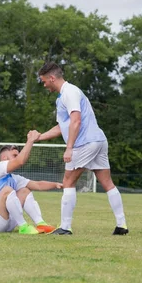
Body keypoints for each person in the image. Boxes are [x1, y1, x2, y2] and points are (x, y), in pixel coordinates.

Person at [36, 61, 128, 235]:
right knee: (107, 183)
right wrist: (39, 137)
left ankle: (65, 227)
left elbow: (76, 121)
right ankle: (121, 225)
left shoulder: (69, 92)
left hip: (85, 143)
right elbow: (61, 127)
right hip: (99, 140)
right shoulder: (64, 95)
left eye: (44, 81)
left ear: (52, 78)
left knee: (68, 182)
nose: (44, 85)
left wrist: (69, 148)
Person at [0, 130, 61, 234]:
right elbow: (20, 161)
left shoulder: (14, 178)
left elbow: (38, 185)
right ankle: (23, 226)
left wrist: (57, 184)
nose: (17, 158)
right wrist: (30, 140)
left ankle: (41, 224)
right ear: (4, 158)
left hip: (7, 224)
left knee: (24, 190)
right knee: (7, 190)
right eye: (14, 155)